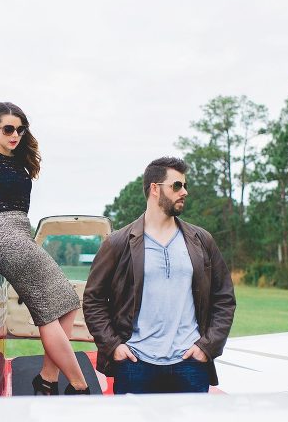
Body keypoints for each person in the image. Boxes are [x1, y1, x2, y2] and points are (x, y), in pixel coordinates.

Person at [0, 101, 90, 395]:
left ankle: (48, 378)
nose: (15, 134)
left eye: (20, 129)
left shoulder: (19, 162)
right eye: (8, 129)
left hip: (21, 232)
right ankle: (79, 384)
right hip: (2, 235)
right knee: (46, 311)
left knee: (67, 302)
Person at [83, 157, 235, 394]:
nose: (184, 192)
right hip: (135, 364)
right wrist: (114, 346)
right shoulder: (118, 243)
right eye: (176, 186)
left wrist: (206, 347)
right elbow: (94, 299)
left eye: (184, 186)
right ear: (155, 188)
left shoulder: (201, 240)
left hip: (190, 364)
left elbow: (224, 297)